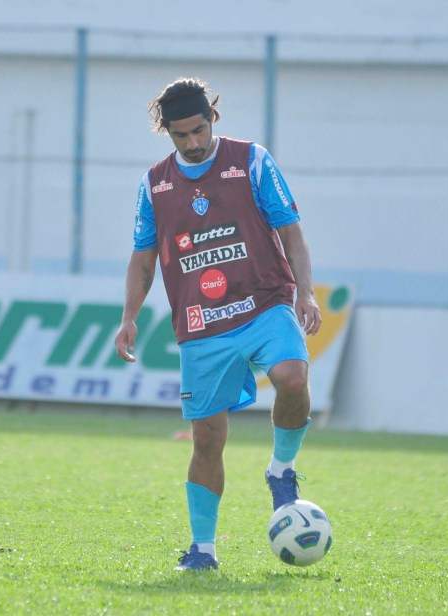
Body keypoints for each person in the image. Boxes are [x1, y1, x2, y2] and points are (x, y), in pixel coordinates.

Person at [114, 77, 322, 570]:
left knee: (293, 378)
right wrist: (129, 317)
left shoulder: (251, 161)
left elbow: (291, 232)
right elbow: (143, 259)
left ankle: (281, 471)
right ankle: (203, 550)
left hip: (264, 303)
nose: (192, 142)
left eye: (199, 130)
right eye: (180, 135)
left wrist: (305, 291)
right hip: (201, 322)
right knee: (207, 440)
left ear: (213, 118)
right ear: (166, 132)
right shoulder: (154, 185)